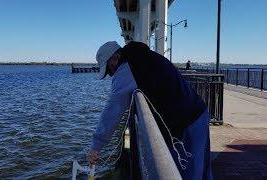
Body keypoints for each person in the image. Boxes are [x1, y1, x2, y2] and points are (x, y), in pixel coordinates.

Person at [87, 41, 213, 180]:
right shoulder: (144, 56)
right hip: (199, 112)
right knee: (204, 172)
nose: (111, 74)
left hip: (187, 124)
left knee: (189, 175)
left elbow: (112, 112)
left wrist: (96, 147)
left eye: (109, 69)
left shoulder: (127, 69)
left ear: (116, 58)